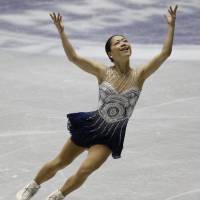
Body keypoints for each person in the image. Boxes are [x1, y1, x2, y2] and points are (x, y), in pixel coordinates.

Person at [16, 5, 178, 200]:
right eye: (118, 43)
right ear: (110, 53)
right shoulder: (103, 72)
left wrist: (171, 26)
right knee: (60, 162)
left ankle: (57, 196)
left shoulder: (140, 75)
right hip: (91, 126)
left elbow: (165, 54)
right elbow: (73, 57)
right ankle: (33, 186)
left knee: (85, 170)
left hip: (110, 136)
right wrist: (62, 33)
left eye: (126, 41)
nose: (124, 43)